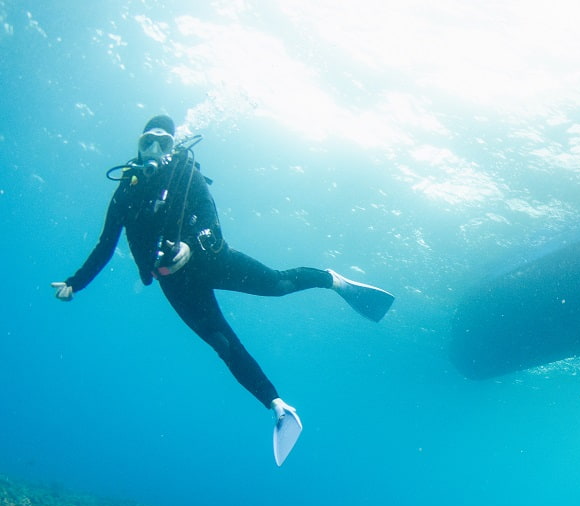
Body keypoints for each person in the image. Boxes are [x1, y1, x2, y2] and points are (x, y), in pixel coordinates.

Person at [51, 115, 396, 465]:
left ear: (173, 145)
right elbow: (105, 244)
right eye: (147, 142)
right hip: (174, 281)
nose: (154, 149)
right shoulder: (126, 190)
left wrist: (189, 246)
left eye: (163, 142)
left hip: (213, 261)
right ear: (138, 146)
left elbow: (209, 219)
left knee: (278, 285)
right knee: (223, 344)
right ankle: (278, 406)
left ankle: (332, 280)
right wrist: (75, 282)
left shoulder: (186, 174)